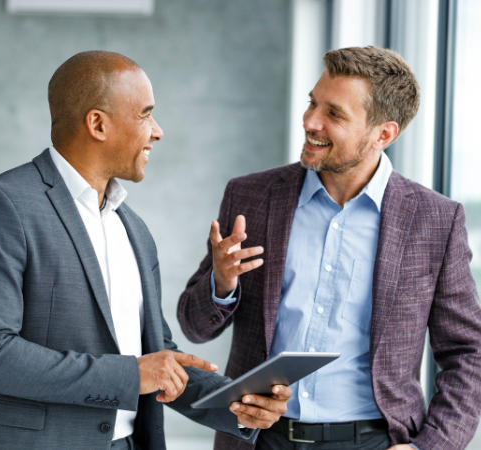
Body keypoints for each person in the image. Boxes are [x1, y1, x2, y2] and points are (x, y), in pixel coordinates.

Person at [0, 51, 291, 450]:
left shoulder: (134, 229)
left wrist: (240, 403)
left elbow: (156, 358)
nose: (157, 131)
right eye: (146, 115)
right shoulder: (2, 204)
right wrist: (130, 376)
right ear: (98, 124)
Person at [177, 46, 481, 450]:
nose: (310, 121)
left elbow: (468, 353)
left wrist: (429, 447)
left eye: (334, 114)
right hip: (259, 439)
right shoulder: (251, 197)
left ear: (383, 134)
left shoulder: (435, 221)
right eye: (312, 103)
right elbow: (194, 327)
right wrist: (221, 283)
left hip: (375, 441)